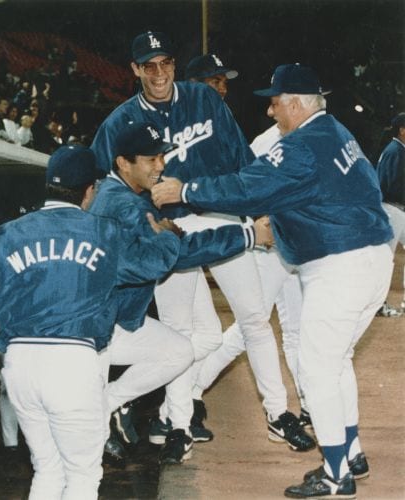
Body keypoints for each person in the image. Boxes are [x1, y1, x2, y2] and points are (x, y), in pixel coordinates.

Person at [152, 63, 394, 499]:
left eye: (276, 102)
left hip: (340, 267)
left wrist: (184, 191)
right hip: (373, 259)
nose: (270, 111)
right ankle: (351, 453)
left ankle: (336, 474)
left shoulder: (301, 145)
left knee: (317, 370)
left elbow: (247, 188)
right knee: (336, 362)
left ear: (297, 105)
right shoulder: (337, 132)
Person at [91, 31, 314, 463]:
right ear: (135, 69)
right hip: (171, 230)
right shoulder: (120, 121)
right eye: (149, 66)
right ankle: (179, 425)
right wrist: (140, 224)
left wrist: (258, 211)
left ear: (175, 65)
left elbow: (240, 158)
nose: (159, 73)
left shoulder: (204, 98)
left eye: (165, 63)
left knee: (253, 317)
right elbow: (104, 180)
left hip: (219, 214)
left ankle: (277, 413)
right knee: (180, 331)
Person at [0, 144, 184, 500]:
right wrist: (167, 237)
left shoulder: (7, 234)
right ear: (90, 190)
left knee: (47, 471)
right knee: (82, 476)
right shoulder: (104, 232)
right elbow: (150, 264)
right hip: (72, 363)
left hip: (20, 365)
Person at [90, 121, 271, 465]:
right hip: (104, 327)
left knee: (192, 343)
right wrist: (248, 235)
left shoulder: (123, 194)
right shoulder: (128, 206)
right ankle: (108, 406)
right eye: (151, 159)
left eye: (162, 157)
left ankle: (114, 404)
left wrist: (171, 237)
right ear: (123, 163)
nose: (161, 165)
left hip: (112, 317)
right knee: (178, 351)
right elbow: (179, 255)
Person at [186, 55, 312, 430]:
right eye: (214, 81)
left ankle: (308, 403)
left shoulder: (310, 138)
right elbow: (248, 191)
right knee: (248, 328)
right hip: (268, 247)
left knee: (294, 330)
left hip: (294, 247)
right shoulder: (266, 141)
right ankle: (192, 389)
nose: (222, 88)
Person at [376, 112, 405, 314]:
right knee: (384, 259)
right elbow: (391, 186)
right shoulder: (396, 151)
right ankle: (378, 304)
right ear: (402, 130)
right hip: (392, 210)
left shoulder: (397, 150)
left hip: (397, 210)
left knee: (385, 258)